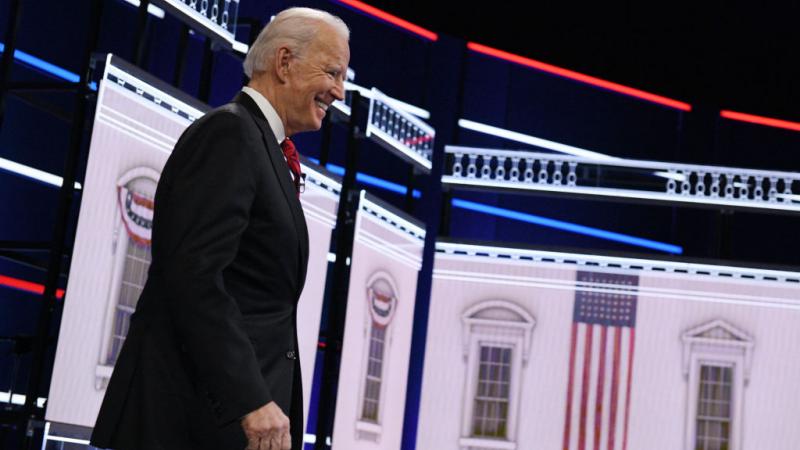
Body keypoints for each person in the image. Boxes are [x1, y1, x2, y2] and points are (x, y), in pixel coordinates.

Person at [89, 7, 350, 450]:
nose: (339, 93)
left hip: (226, 421)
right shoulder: (230, 134)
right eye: (332, 72)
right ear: (284, 63)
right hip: (190, 420)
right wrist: (250, 399)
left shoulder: (261, 144)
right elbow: (194, 276)